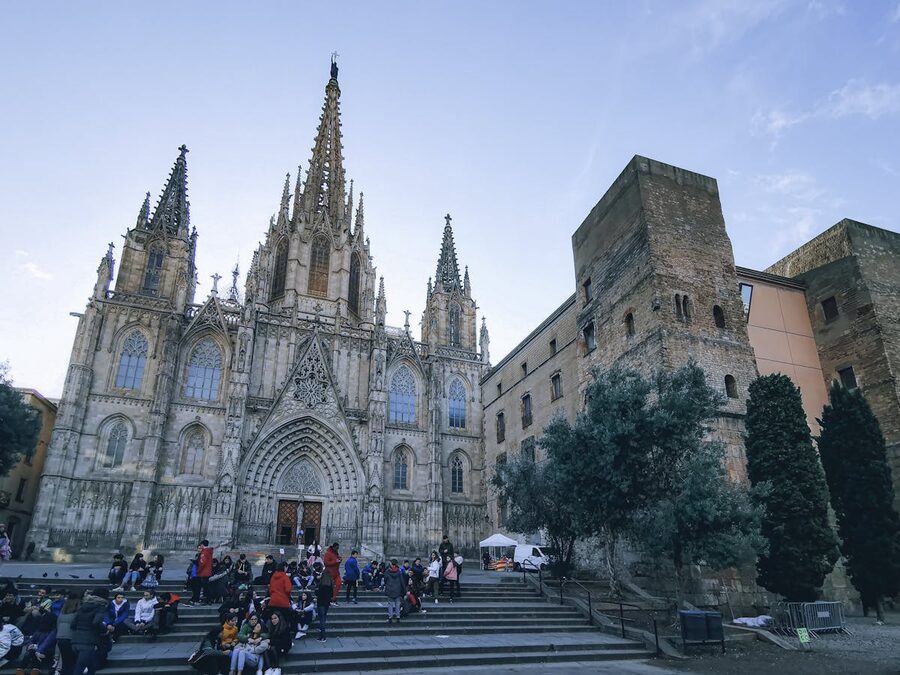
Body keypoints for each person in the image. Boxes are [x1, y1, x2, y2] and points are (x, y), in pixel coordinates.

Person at [70, 588, 110, 675]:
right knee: (80, 668)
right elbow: (96, 622)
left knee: (91, 666)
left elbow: (73, 624)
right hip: (88, 642)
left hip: (75, 641)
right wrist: (105, 630)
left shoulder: (83, 606)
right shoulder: (100, 606)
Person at [54, 592, 80, 675]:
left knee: (65, 662)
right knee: (72, 663)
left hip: (60, 638)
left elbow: (58, 625)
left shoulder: (62, 613)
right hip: (70, 639)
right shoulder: (77, 613)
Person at [383, 559, 405, 624]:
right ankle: (398, 617)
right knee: (397, 604)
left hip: (390, 589)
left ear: (391, 563)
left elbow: (385, 579)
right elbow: (402, 581)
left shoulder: (387, 571)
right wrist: (404, 589)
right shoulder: (399, 572)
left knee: (390, 604)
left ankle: (390, 617)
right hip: (397, 589)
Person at [314, 570, 332, 642]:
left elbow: (318, 593)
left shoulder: (321, 584)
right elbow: (331, 595)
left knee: (321, 619)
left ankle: (323, 636)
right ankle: (322, 634)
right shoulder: (330, 584)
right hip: (327, 603)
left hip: (320, 603)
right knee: (324, 617)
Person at [196, 540, 214, 604]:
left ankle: (206, 600)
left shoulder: (204, 552)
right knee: (206, 586)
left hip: (204, 572)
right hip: (208, 571)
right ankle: (209, 600)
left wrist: (198, 570)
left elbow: (202, 562)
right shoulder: (209, 551)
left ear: (202, 545)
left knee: (205, 587)